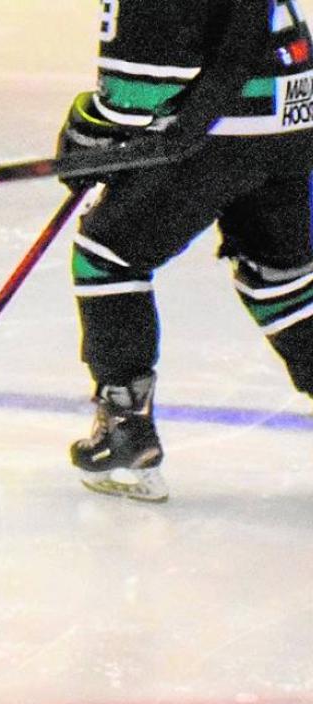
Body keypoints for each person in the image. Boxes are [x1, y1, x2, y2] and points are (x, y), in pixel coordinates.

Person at [56, 0, 313, 503]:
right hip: (293, 113)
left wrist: (88, 128)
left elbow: (140, 90)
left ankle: (124, 429)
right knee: (279, 278)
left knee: (106, 253)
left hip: (226, 122)